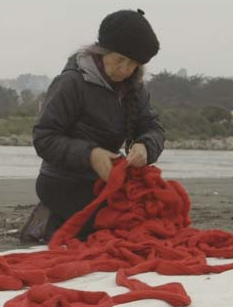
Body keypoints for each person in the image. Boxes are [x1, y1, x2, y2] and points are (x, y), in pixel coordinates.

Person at [19, 9, 165, 244]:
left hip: (106, 181)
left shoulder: (134, 88)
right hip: (62, 181)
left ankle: (64, 221)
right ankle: (50, 220)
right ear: (102, 51)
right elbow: (44, 139)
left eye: (133, 64)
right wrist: (91, 155)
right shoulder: (71, 83)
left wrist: (145, 147)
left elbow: (153, 128)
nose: (124, 70)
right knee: (114, 229)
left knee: (153, 217)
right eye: (119, 60)